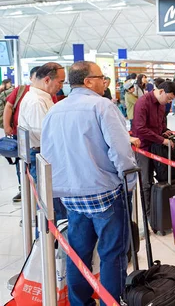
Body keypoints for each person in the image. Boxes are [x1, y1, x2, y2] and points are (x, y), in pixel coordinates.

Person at [42, 61, 138, 306]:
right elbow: (120, 150)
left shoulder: (55, 110)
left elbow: (48, 153)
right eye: (101, 77)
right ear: (87, 81)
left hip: (71, 195)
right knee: (111, 254)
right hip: (105, 192)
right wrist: (129, 181)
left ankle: (80, 302)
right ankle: (110, 302)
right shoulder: (102, 106)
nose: (104, 82)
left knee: (78, 254)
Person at [19, 62, 67, 220]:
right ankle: (53, 243)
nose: (61, 86)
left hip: (43, 155)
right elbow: (45, 136)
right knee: (54, 211)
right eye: (60, 81)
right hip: (43, 156)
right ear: (47, 80)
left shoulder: (42, 98)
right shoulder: (36, 102)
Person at [131, 81, 175, 219]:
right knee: (146, 182)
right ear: (161, 91)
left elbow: (161, 123)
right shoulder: (143, 103)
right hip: (143, 147)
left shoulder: (161, 105)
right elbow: (140, 129)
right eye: (169, 98)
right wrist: (162, 140)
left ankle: (160, 211)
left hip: (157, 147)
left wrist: (165, 131)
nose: (169, 101)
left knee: (163, 178)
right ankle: (149, 216)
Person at [4, 67, 42, 202]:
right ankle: (23, 188)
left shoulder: (47, 93)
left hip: (37, 138)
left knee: (36, 166)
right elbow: (9, 106)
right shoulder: (21, 89)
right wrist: (7, 125)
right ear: (31, 78)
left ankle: (36, 191)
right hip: (20, 134)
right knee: (21, 163)